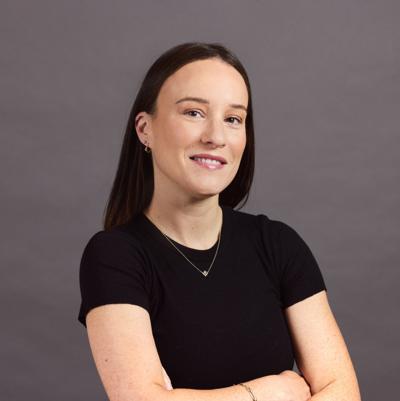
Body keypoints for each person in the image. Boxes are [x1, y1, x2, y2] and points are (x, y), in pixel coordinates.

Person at [77, 42, 361, 401]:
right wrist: (269, 392)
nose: (215, 136)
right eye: (194, 112)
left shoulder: (277, 245)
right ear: (145, 129)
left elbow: (343, 392)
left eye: (233, 119)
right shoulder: (115, 257)